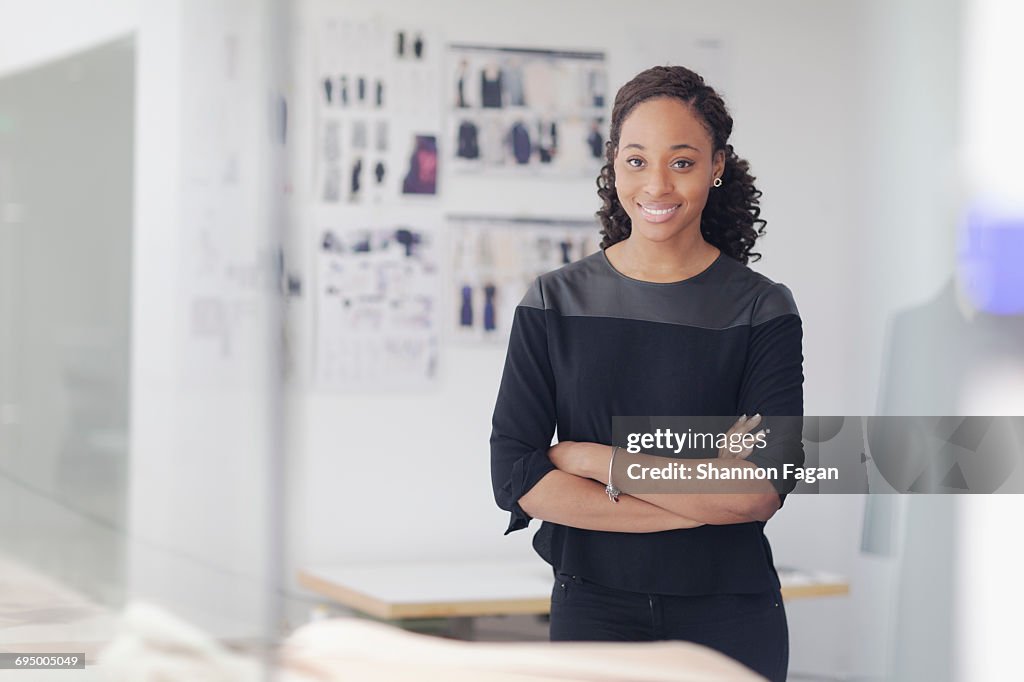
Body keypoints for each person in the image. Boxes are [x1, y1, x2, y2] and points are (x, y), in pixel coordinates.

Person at [489, 65, 804, 682]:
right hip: (593, 612)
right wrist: (700, 499)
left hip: (731, 616)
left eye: (682, 162)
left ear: (717, 165)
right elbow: (518, 477)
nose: (657, 183)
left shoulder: (761, 308)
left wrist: (592, 461)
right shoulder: (555, 302)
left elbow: (758, 488)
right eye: (637, 160)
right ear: (613, 164)